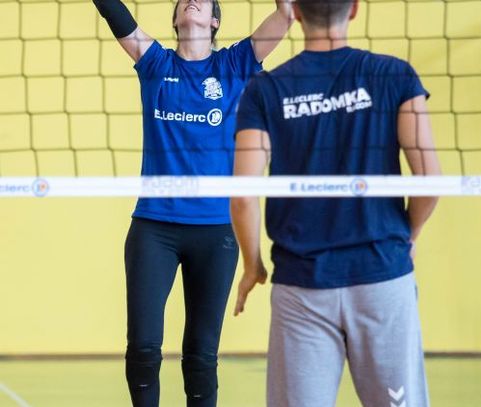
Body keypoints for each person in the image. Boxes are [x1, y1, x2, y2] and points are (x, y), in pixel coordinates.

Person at [231, 0, 441, 406]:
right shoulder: (394, 74)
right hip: (382, 277)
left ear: (294, 10)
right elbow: (431, 181)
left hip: (301, 287)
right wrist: (407, 236)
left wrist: (252, 265)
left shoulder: (265, 89)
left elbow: (242, 195)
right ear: (355, 9)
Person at [92, 0, 293, 405]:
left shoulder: (234, 64)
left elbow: (286, 15)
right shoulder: (156, 64)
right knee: (143, 348)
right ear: (176, 18)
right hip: (154, 228)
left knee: (201, 354)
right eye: (183, 0)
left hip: (217, 232)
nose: (192, 1)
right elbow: (116, 15)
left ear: (215, 21)